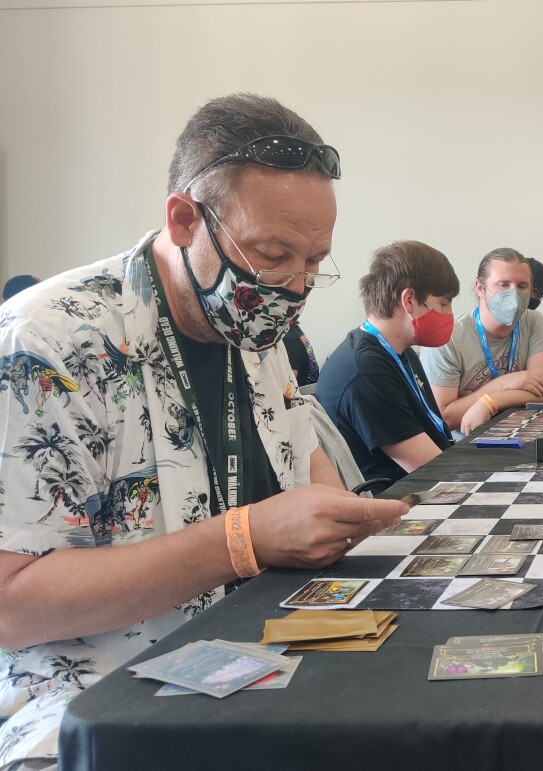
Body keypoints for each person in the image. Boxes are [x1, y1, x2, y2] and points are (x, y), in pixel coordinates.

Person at [0, 94, 407, 768]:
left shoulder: (253, 323)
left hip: (260, 666)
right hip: (95, 712)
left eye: (314, 261)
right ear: (184, 218)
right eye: (272, 253)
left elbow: (306, 467)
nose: (293, 285)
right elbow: (11, 605)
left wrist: (339, 516)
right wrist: (242, 541)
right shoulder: (44, 346)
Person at [315, 241, 459, 493]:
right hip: (397, 504)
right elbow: (432, 470)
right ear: (410, 300)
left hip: (419, 487)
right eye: (444, 303)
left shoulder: (400, 352)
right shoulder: (366, 370)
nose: (449, 314)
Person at [421, 248, 543, 435]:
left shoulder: (533, 321)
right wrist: (501, 384)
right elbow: (443, 417)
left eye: (522, 286)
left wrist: (490, 402)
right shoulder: (448, 339)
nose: (514, 293)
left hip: (523, 436)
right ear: (480, 288)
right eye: (504, 284)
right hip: (468, 446)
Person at [283, 321, 320, 388]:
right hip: (312, 386)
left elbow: (292, 377)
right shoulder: (294, 329)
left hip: (302, 390)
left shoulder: (289, 337)